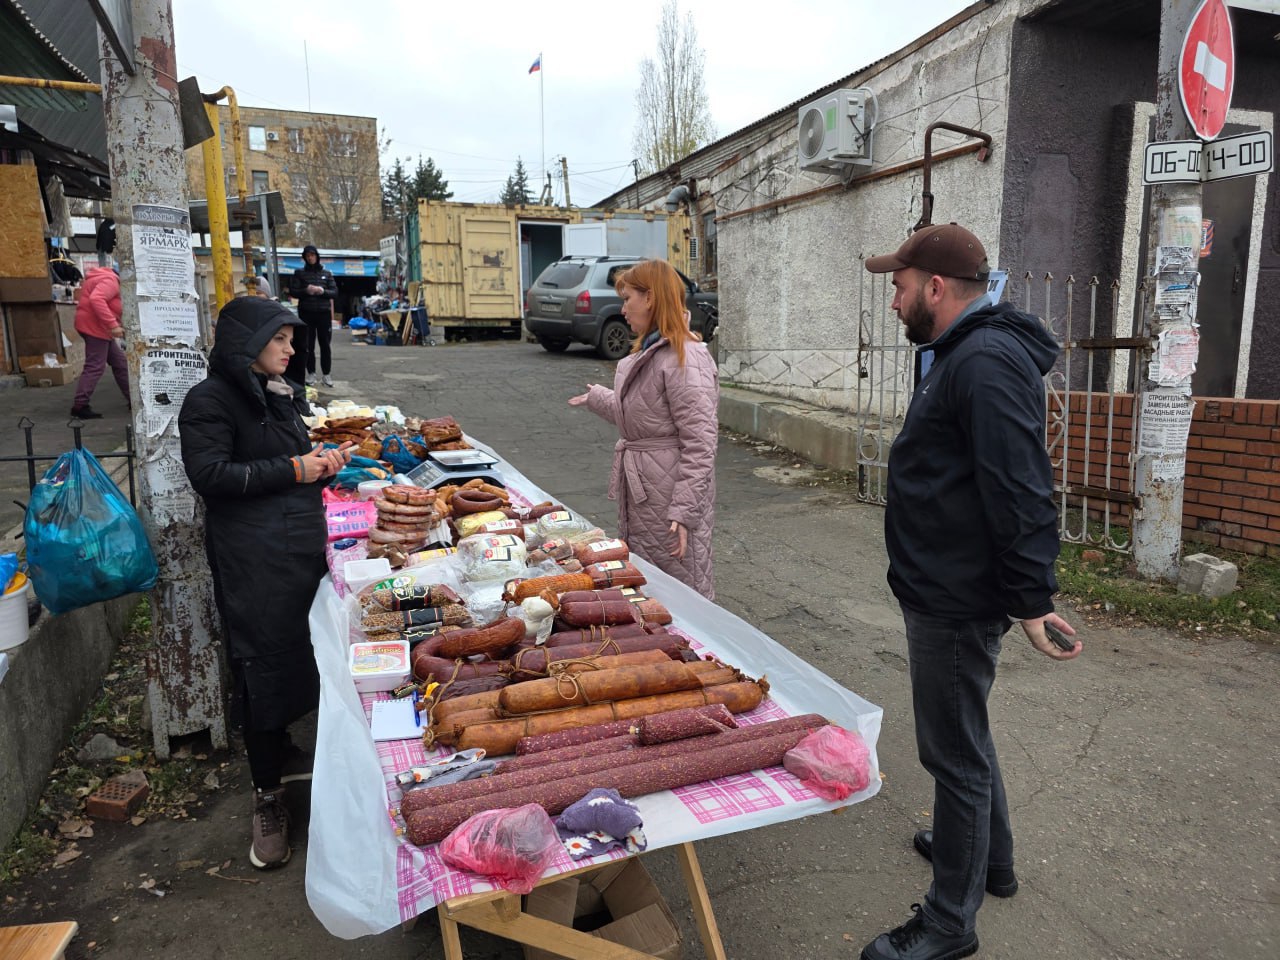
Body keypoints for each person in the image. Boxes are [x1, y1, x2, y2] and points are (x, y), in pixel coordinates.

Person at [858, 223, 1082, 960]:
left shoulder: (981, 361)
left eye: (897, 284)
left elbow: (1020, 486)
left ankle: (950, 923)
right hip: (942, 581)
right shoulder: (960, 351)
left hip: (955, 596)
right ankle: (992, 862)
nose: (891, 299)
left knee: (952, 755)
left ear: (934, 287)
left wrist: (1032, 600)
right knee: (966, 737)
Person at [178, 297, 352, 870]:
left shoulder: (278, 396)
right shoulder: (210, 401)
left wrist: (321, 460)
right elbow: (210, 475)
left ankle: (283, 747)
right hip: (254, 560)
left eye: (291, 338)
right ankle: (267, 795)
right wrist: (297, 469)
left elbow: (286, 462)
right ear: (248, 343)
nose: (292, 347)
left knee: (304, 655)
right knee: (263, 663)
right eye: (280, 338)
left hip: (300, 548)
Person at [569, 259, 718, 598]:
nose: (622, 309)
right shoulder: (654, 350)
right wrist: (598, 398)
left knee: (683, 593)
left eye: (627, 298)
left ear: (650, 298)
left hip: (670, 498)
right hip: (649, 492)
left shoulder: (686, 357)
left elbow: (701, 444)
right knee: (652, 591)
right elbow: (644, 418)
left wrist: (683, 511)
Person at [70, 265, 129, 419]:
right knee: (95, 366)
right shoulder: (111, 281)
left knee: (120, 364)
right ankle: (80, 405)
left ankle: (134, 399)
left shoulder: (104, 277)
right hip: (95, 328)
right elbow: (97, 299)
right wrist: (113, 325)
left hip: (97, 328)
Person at [287, 244, 337, 387]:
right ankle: (311, 373)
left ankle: (326, 374)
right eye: (308, 256)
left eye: (312, 255)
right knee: (307, 344)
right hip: (306, 313)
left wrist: (322, 291)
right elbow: (293, 291)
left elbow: (334, 292)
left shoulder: (327, 274)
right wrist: (306, 290)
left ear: (317, 256)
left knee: (325, 344)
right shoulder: (299, 273)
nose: (310, 258)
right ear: (304, 258)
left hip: (323, 314)